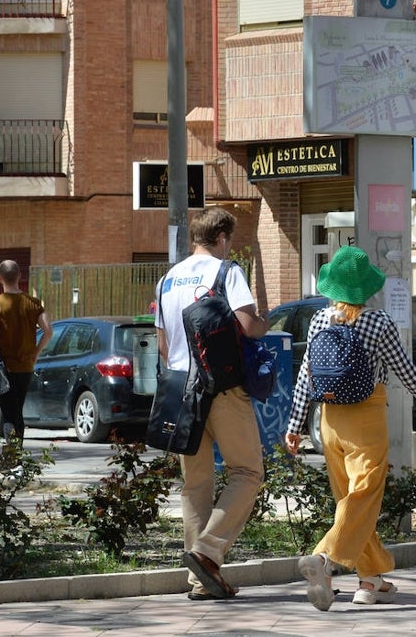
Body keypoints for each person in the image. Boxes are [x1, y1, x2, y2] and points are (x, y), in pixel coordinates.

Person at [284, 245, 416, 611]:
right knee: (363, 499)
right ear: (366, 289)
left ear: (333, 287)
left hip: (328, 420)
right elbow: (405, 371)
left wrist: (295, 423)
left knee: (352, 505)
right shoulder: (378, 322)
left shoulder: (319, 321)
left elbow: (306, 375)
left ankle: (370, 582)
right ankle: (324, 559)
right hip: (366, 418)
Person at [155, 206, 270, 602]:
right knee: (248, 471)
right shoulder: (227, 272)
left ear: (194, 239)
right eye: (230, 241)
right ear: (222, 238)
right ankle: (207, 551)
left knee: (195, 484)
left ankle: (200, 580)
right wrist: (265, 321)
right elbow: (248, 324)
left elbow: (164, 345)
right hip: (222, 389)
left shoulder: (167, 279)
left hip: (181, 391)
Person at [0, 259, 52, 442]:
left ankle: (13, 460)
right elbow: (48, 332)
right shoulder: (34, 303)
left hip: (4, 368)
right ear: (20, 276)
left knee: (8, 414)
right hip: (26, 366)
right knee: (17, 410)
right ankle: (17, 460)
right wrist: (35, 354)